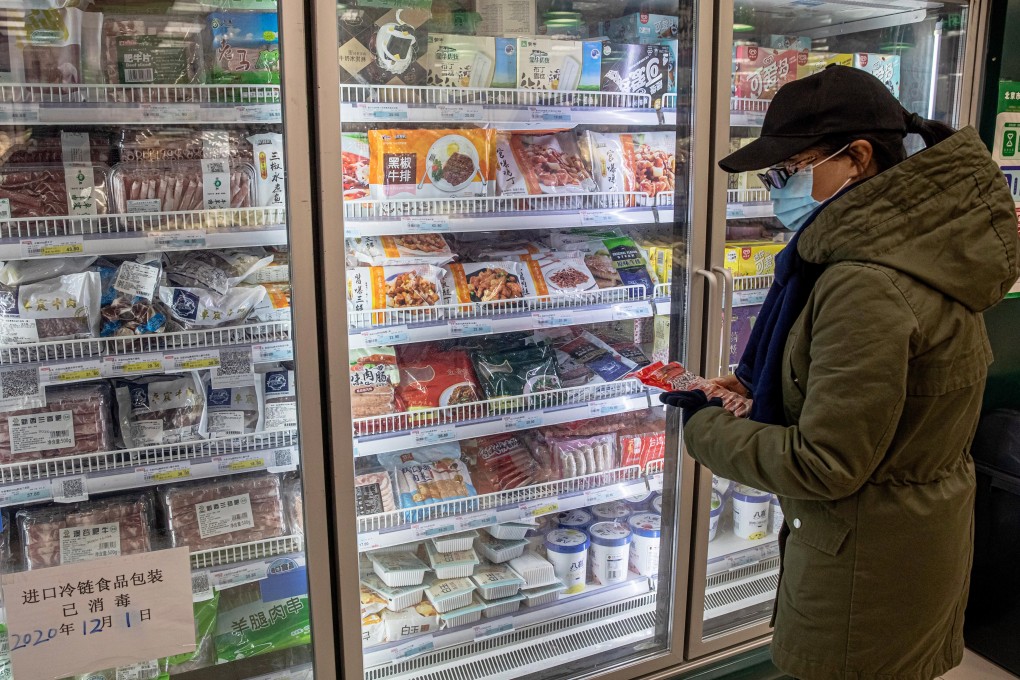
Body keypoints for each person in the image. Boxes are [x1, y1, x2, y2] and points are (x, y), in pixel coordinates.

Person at [662, 65, 1019, 680]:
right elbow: (881, 401)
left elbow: (824, 463)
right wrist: (754, 391)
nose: (776, 191)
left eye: (784, 172)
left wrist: (703, 425)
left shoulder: (865, 283)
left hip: (866, 568)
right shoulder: (919, 243)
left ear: (855, 159)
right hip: (908, 541)